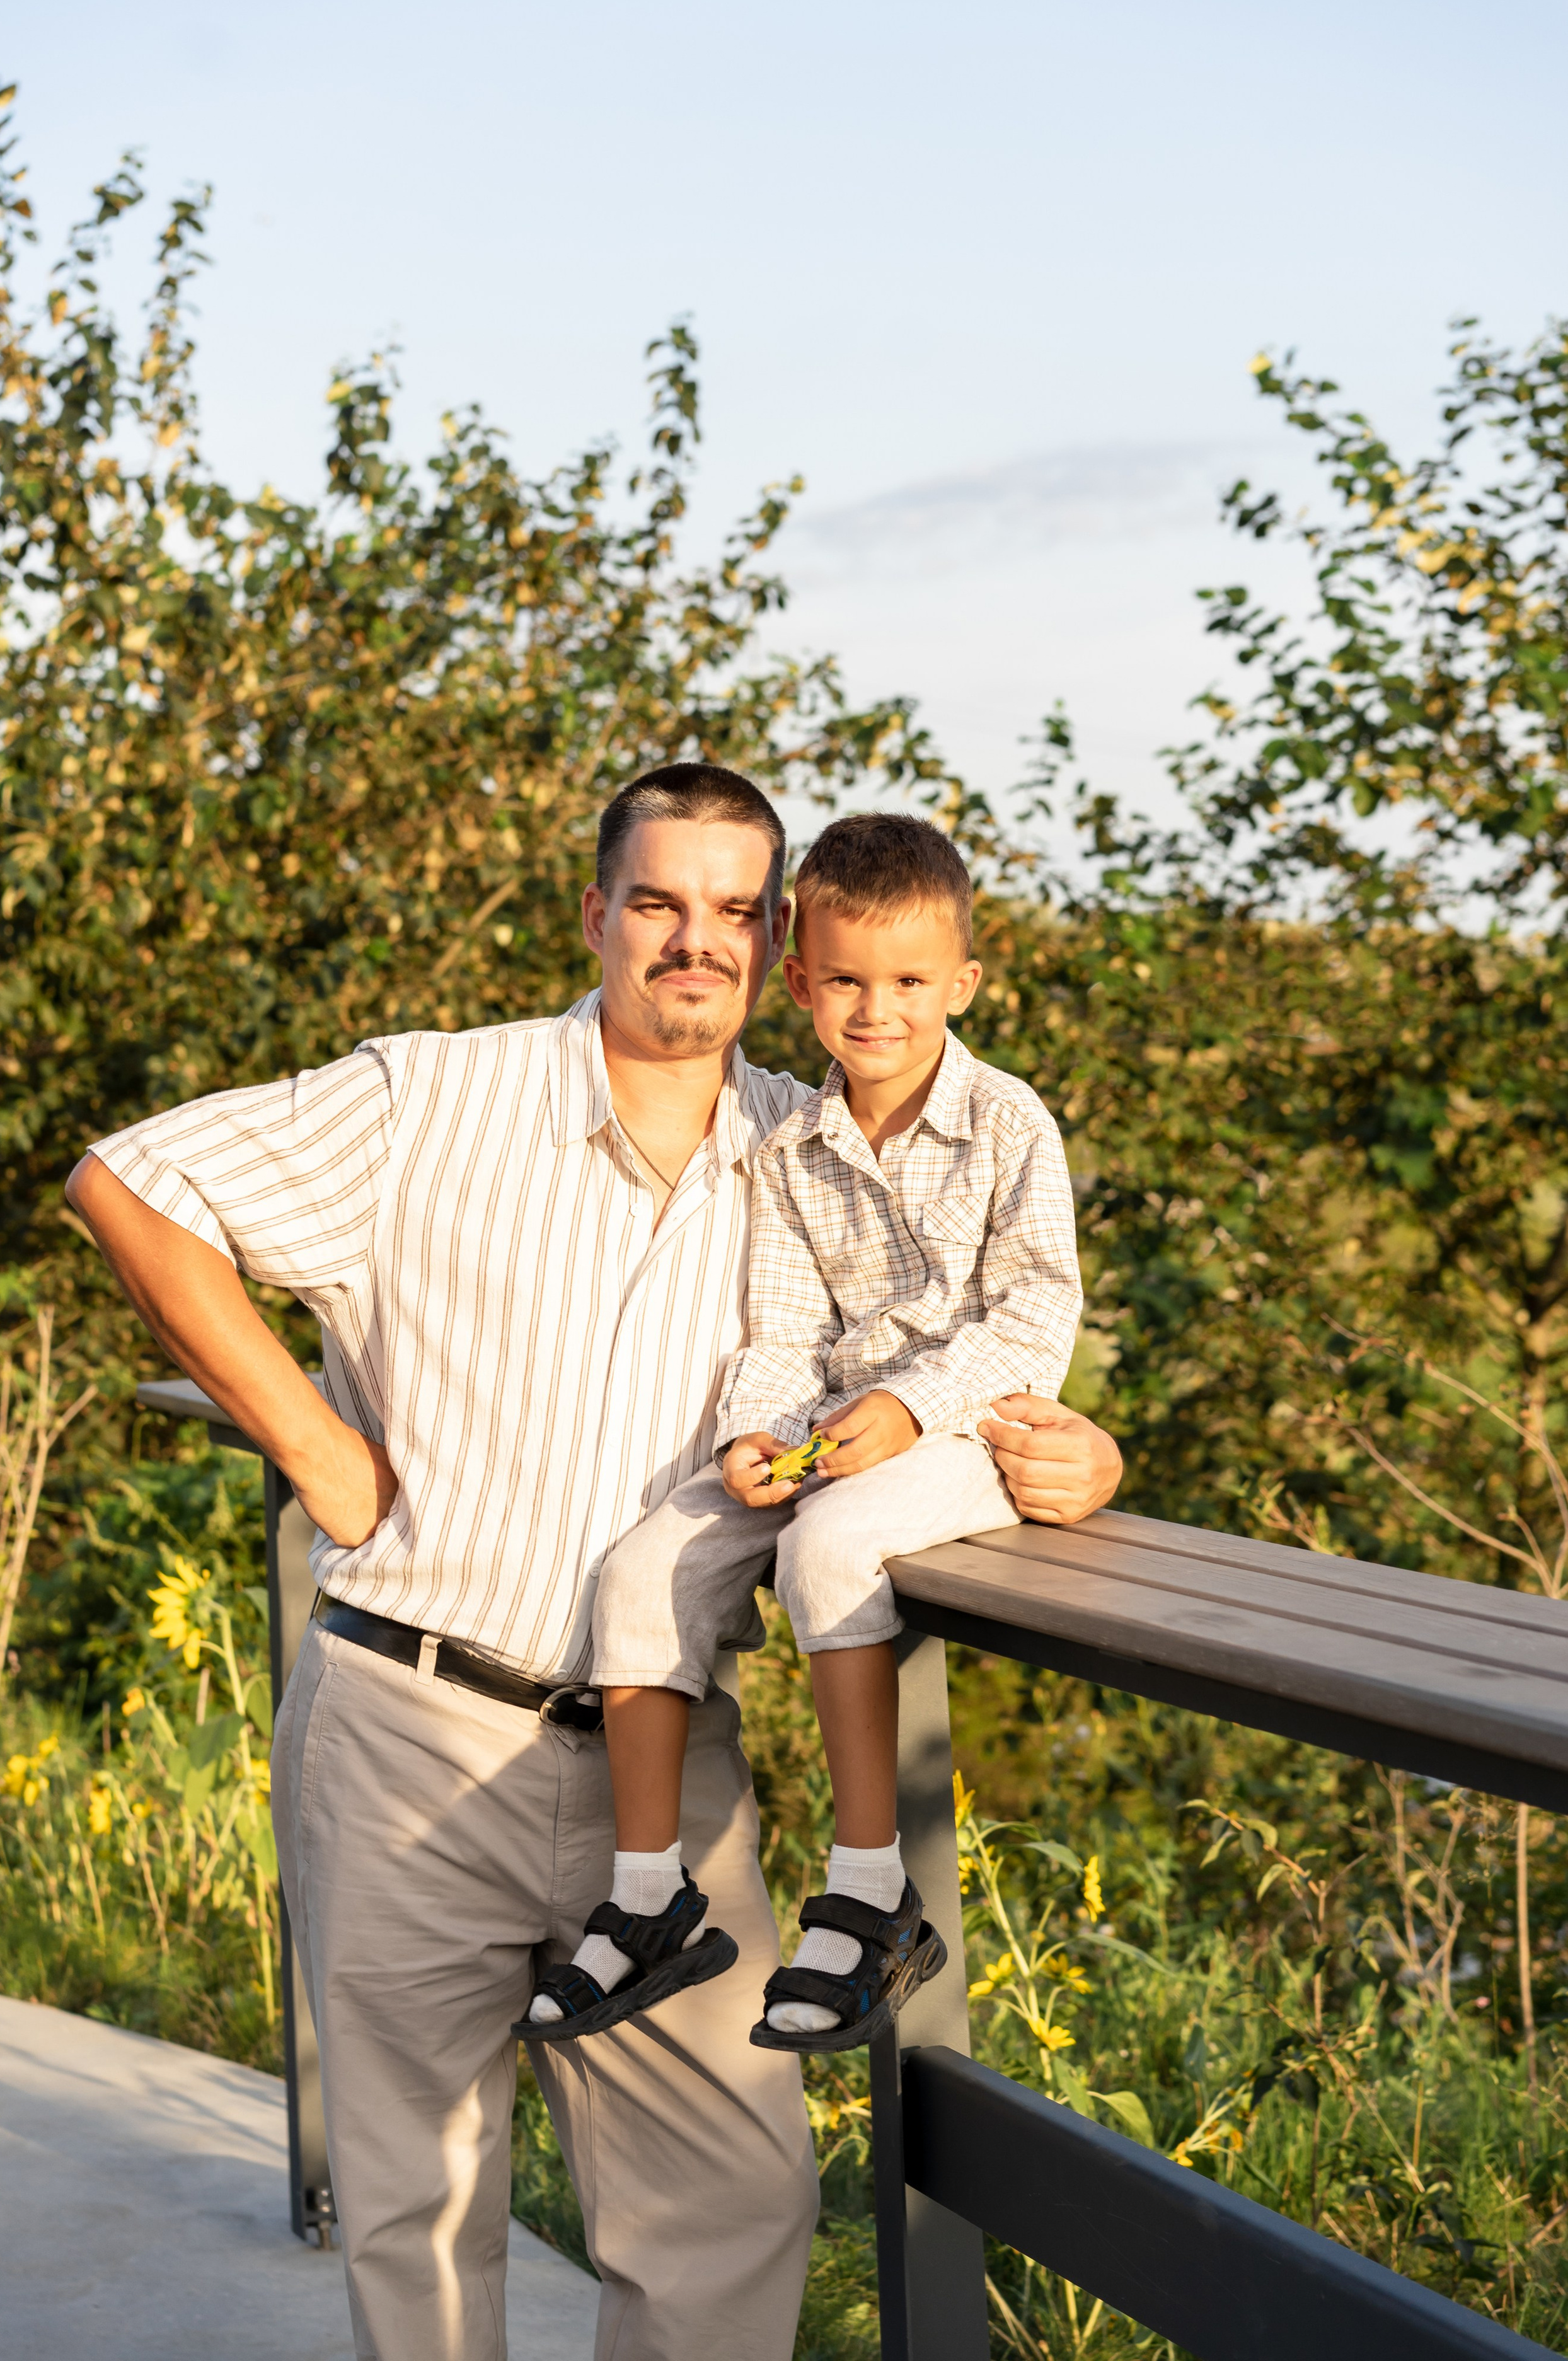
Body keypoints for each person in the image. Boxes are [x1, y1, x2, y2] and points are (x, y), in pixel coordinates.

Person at [64, 763, 1122, 2361]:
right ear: (597, 914)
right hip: (412, 1732)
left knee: (734, 2205)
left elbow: (966, 1336)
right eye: (656, 903)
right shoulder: (429, 1099)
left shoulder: (812, 1142)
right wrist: (315, 1449)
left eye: (733, 914)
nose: (693, 943)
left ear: (776, 942)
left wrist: (1086, 1457)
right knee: (422, 2219)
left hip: (665, 1756)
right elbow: (130, 1183)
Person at [521, 813, 1081, 2053]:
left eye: (907, 984)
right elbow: (779, 1329)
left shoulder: (1007, 1125)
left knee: (827, 1549)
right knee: (645, 1563)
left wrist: (913, 1408)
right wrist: (753, 1434)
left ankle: (872, 1887)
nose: (874, 1010)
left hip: (968, 1434)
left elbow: (1037, 1311)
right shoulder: (791, 1149)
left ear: (962, 984)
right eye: (842, 980)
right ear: (799, 981)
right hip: (828, 1436)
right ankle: (651, 1885)